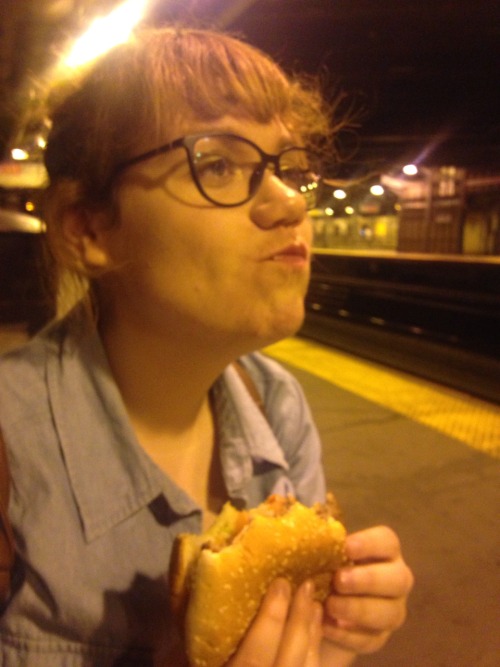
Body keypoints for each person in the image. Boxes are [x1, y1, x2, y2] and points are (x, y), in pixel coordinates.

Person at [0, 26, 413, 666]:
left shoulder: (279, 407)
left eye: (292, 168)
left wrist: (330, 634)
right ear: (89, 228)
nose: (288, 205)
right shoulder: (12, 452)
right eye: (218, 162)